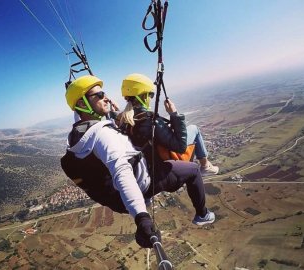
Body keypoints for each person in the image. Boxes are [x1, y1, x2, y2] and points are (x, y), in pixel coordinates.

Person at [60, 75, 216, 249]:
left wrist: (108, 111)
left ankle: (145, 199)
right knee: (193, 170)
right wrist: (142, 218)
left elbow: (89, 124)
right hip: (143, 183)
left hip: (117, 200)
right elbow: (122, 172)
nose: (105, 97)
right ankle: (202, 215)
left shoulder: (76, 136)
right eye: (99, 94)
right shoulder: (103, 135)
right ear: (82, 104)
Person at [118, 73, 219, 176]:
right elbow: (180, 146)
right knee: (194, 128)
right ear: (144, 96)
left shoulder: (123, 119)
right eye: (151, 95)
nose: (151, 98)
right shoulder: (149, 120)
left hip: (147, 164)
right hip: (165, 161)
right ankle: (205, 166)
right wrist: (174, 114)